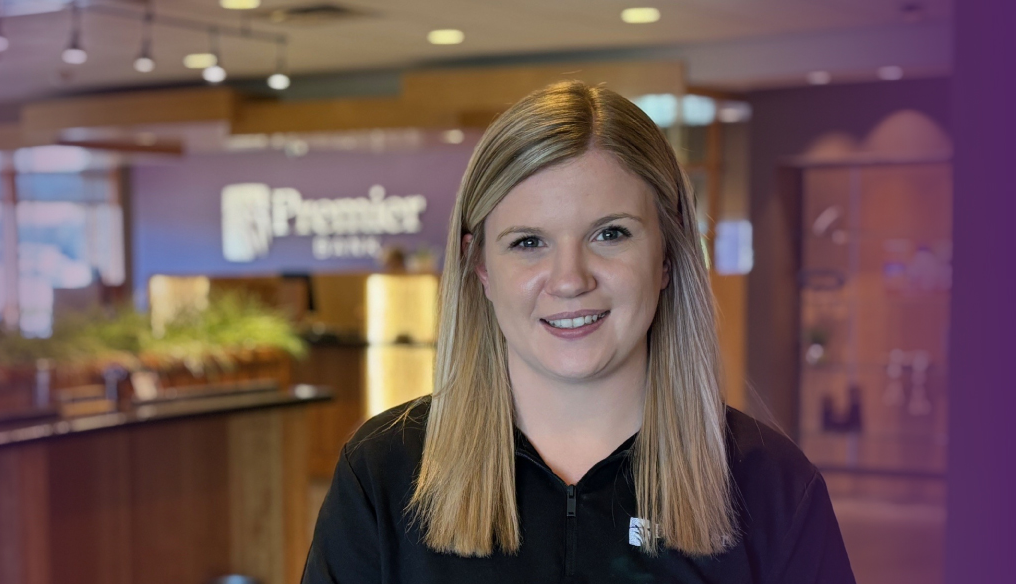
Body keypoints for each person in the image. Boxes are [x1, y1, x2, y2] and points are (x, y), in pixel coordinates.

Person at [301, 81, 856, 583]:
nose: (570, 279)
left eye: (610, 233)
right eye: (528, 242)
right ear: (480, 267)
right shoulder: (384, 475)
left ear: (667, 253)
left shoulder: (774, 489)